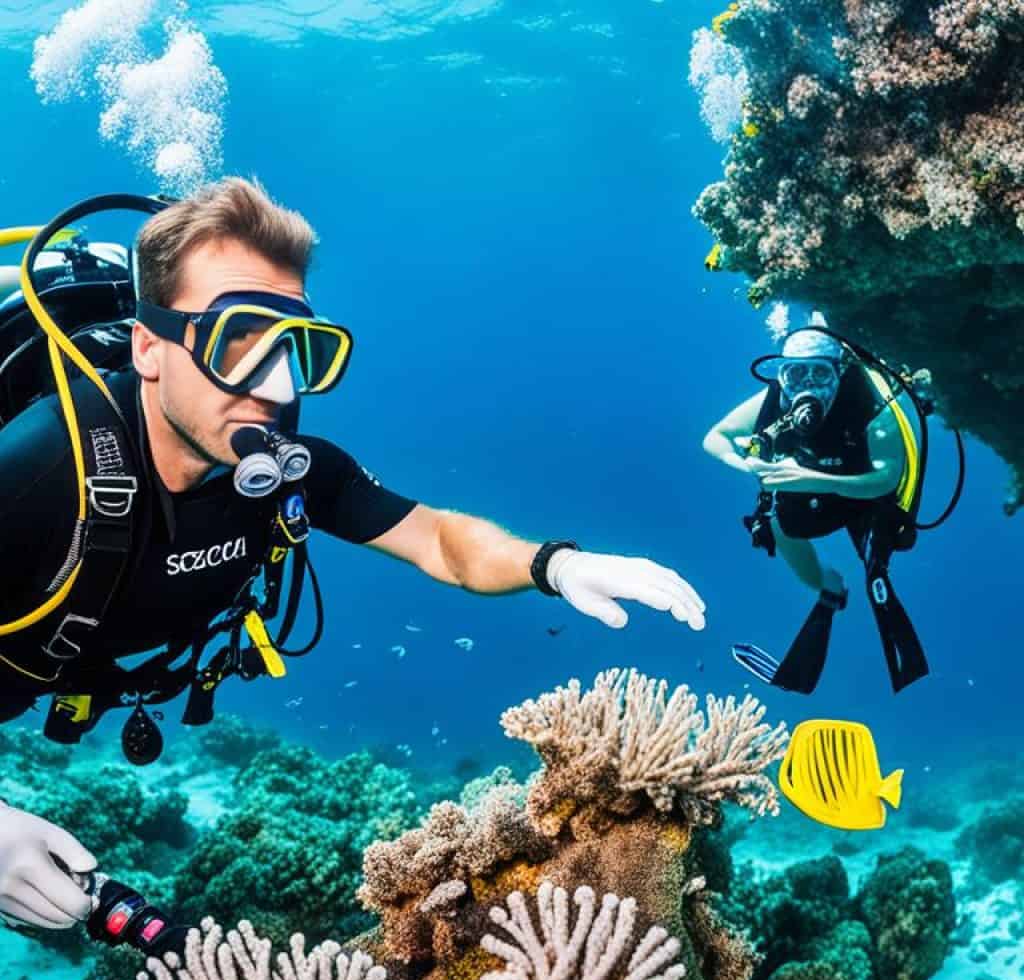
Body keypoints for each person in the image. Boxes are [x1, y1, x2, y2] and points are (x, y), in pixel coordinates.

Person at [0, 179, 705, 934]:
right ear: (149, 347)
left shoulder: (290, 471)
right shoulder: (40, 470)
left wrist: (556, 565)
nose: (276, 388)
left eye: (294, 346)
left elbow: (437, 539)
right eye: (238, 340)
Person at [703, 312, 928, 695]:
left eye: (820, 375)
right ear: (782, 375)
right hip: (811, 494)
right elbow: (716, 437)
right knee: (780, 524)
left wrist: (812, 479)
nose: (807, 387)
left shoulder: (872, 404)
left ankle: (874, 575)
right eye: (795, 375)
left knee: (877, 562)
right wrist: (745, 465)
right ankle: (829, 589)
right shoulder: (774, 399)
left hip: (866, 495)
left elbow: (887, 478)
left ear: (840, 372)